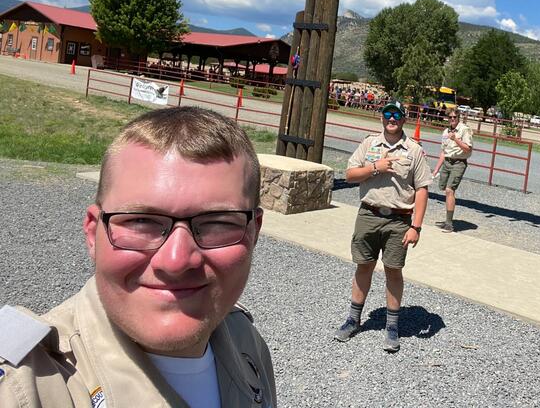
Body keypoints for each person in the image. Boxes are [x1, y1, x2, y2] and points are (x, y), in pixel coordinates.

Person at [0, 106, 277, 407]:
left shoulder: (245, 340)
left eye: (217, 223)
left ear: (254, 232)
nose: (176, 261)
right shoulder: (20, 387)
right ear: (93, 233)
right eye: (141, 221)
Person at [334, 102, 432, 352]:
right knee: (363, 266)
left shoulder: (414, 151)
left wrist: (416, 227)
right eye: (387, 113)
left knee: (393, 271)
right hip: (368, 214)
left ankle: (392, 326)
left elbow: (422, 189)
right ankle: (353, 319)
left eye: (396, 114)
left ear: (404, 119)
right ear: (381, 117)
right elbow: (350, 175)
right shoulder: (369, 144)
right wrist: (375, 167)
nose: (391, 118)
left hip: (399, 220)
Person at [432, 108, 473, 232]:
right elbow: (443, 152)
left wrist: (456, 139)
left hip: (459, 162)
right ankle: (447, 221)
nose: (452, 119)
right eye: (450, 117)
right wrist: (436, 169)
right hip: (447, 162)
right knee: (443, 188)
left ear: (458, 117)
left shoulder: (464, 130)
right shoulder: (446, 132)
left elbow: (468, 149)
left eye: (455, 117)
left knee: (450, 190)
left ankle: (449, 224)